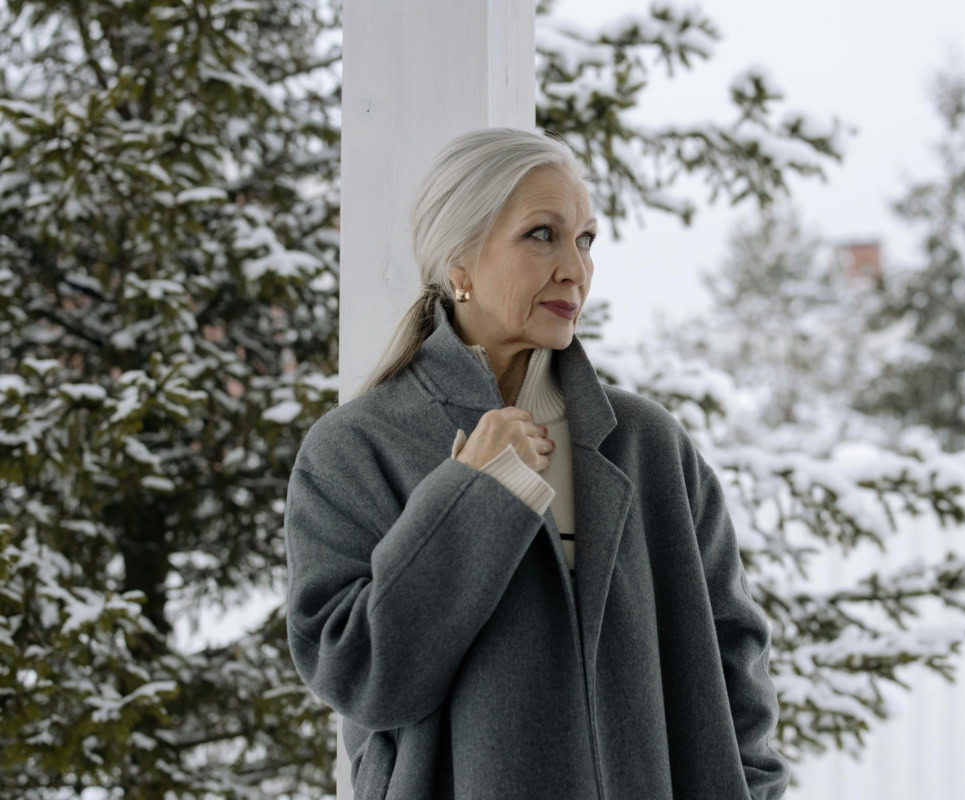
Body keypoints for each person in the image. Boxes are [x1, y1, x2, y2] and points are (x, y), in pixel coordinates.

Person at [283, 126, 790, 799]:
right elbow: (360, 673)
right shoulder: (357, 448)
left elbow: (734, 667)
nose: (574, 270)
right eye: (541, 235)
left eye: (585, 240)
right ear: (458, 261)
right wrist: (473, 497)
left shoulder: (647, 446)